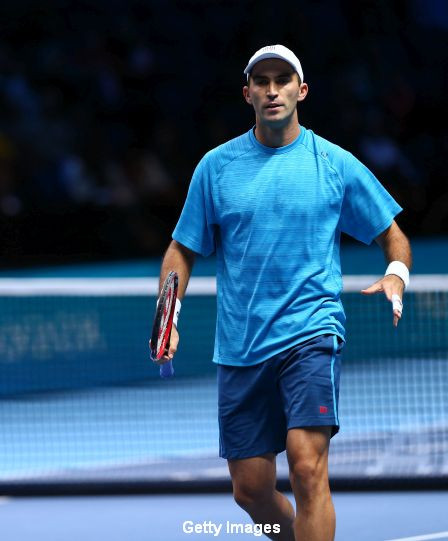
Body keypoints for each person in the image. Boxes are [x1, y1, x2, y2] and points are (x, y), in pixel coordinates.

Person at [156, 45, 411, 541]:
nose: (272, 90)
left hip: (310, 332)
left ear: (302, 90)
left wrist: (396, 272)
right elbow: (182, 250)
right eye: (262, 81)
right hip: (241, 345)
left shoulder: (334, 163)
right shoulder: (215, 167)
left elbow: (392, 234)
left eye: (282, 80)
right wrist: (169, 314)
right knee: (250, 490)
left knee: (306, 466)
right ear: (247, 93)